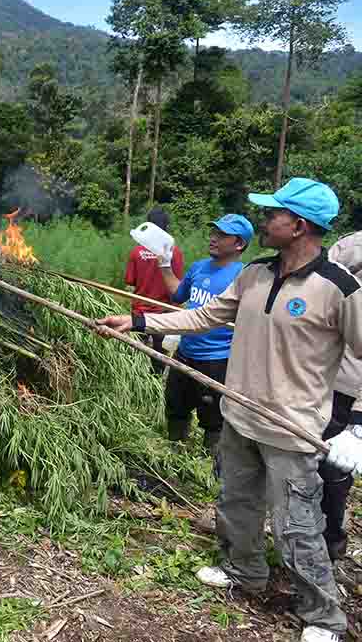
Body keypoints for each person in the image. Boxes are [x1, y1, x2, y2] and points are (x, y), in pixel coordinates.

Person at [99, 178, 362, 642]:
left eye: (271, 214)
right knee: (237, 505)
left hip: (292, 428)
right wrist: (139, 321)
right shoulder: (255, 274)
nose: (264, 220)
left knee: (296, 527)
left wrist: (354, 424)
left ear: (297, 226)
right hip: (239, 416)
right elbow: (205, 316)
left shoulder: (340, 289)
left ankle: (323, 618)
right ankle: (245, 572)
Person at [155, 214, 253, 461]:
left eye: (222, 235)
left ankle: (212, 469)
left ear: (239, 244)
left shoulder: (245, 276)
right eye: (214, 233)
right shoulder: (198, 267)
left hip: (217, 360)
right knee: (175, 407)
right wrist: (165, 265)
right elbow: (178, 295)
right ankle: (175, 457)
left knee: (214, 419)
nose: (213, 238)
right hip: (185, 352)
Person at [320, 230, 362, 561]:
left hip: (351, 393)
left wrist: (359, 421)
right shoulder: (351, 246)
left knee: (334, 473)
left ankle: (328, 548)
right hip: (323, 377)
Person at [124, 206, 184, 374]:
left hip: (139, 312)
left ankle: (136, 383)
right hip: (163, 314)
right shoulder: (175, 253)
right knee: (159, 356)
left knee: (135, 354)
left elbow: (130, 281)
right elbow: (178, 287)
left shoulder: (136, 252)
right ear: (166, 227)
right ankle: (156, 383)